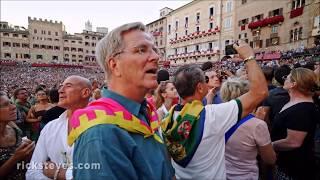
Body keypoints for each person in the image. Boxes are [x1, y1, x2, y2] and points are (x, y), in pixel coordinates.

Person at [69, 22, 174, 179]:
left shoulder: (145, 112)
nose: (156, 57)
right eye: (141, 50)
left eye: (154, 50)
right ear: (115, 65)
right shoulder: (101, 134)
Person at [161, 41, 268, 179]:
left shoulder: (167, 118)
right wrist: (249, 57)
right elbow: (260, 92)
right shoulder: (212, 115)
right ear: (200, 87)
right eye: (205, 80)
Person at [26, 75, 92, 180]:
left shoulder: (100, 127)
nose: (60, 90)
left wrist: (60, 173)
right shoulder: (50, 127)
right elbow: (33, 170)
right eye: (61, 86)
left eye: (68, 86)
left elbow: (100, 171)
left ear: (85, 93)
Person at [220, 78, 276, 180]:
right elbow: (270, 159)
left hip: (221, 174)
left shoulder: (216, 118)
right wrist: (259, 123)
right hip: (245, 176)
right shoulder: (257, 125)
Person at [272, 68, 319, 180]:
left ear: (294, 84)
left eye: (287, 77)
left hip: (295, 167)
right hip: (287, 163)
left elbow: (293, 142)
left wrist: (270, 145)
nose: (285, 79)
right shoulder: (296, 102)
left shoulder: (301, 110)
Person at [0, 91, 35, 179]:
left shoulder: (13, 128)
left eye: (10, 103)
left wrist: (29, 150)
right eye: (5, 105)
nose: (13, 107)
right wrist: (15, 157)